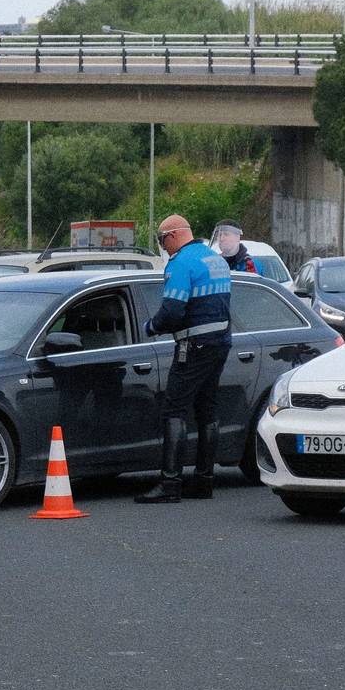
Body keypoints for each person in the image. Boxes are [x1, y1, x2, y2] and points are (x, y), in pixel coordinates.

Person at [137, 213, 232, 504]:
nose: (163, 246)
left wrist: (150, 328)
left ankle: (169, 484)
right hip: (220, 343)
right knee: (207, 411)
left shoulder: (181, 264)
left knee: (174, 411)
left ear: (174, 235)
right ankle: (204, 481)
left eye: (163, 239)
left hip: (193, 345)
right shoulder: (215, 259)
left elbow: (172, 311)